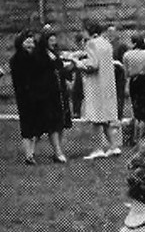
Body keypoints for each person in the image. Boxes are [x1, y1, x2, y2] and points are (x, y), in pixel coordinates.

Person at [75, 18, 120, 159]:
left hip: (96, 85)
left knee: (95, 119)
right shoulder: (106, 43)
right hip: (107, 84)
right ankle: (113, 146)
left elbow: (93, 65)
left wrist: (77, 63)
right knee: (106, 118)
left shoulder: (91, 43)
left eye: (83, 30)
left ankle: (98, 149)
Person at [30, 28, 72, 163]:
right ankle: (54, 152)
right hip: (46, 94)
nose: (53, 42)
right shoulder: (39, 55)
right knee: (47, 124)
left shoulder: (55, 53)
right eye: (51, 39)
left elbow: (60, 68)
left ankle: (57, 151)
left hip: (58, 93)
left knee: (59, 123)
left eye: (54, 39)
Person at [10, 30, 41, 164]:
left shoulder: (37, 58)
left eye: (32, 42)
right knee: (27, 126)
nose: (30, 45)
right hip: (24, 97)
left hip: (38, 95)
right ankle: (28, 155)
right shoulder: (16, 60)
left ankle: (31, 153)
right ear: (20, 43)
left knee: (37, 126)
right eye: (27, 42)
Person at [122, 33, 145, 144]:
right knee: (144, 112)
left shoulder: (127, 55)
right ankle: (141, 137)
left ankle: (135, 137)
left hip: (133, 82)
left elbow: (126, 73)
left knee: (136, 110)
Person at [107, 26, 129, 121]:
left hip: (119, 75)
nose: (110, 34)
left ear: (117, 33)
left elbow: (125, 62)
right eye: (108, 32)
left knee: (119, 97)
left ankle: (118, 117)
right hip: (108, 75)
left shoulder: (121, 46)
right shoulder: (107, 45)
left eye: (112, 32)